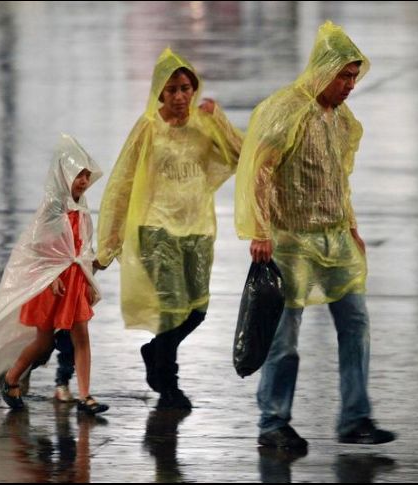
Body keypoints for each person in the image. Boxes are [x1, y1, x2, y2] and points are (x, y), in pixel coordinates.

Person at [235, 21, 396, 448]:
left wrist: (352, 226)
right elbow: (261, 170)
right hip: (291, 242)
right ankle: (273, 422)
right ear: (323, 71)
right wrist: (260, 229)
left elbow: (338, 178)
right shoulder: (287, 109)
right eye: (344, 75)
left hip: (335, 238)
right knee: (284, 336)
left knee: (356, 322)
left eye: (353, 76)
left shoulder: (341, 120)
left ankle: (355, 417)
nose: (350, 85)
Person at [94, 47, 242, 409]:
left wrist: (219, 119)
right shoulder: (148, 128)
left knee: (198, 310)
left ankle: (155, 351)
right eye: (172, 89)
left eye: (186, 88)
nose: (180, 96)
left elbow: (241, 156)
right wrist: (110, 242)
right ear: (159, 93)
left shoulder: (204, 124)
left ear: (194, 89)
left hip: (198, 227)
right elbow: (123, 182)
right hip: (155, 226)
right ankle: (168, 382)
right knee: (173, 306)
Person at [0, 134, 108, 415]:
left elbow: (82, 245)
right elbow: (36, 244)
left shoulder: (80, 207)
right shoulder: (53, 205)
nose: (83, 181)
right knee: (44, 342)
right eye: (78, 175)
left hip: (73, 280)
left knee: (81, 336)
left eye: (86, 175)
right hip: (51, 283)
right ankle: (11, 378)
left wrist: (89, 273)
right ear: (64, 175)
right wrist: (52, 274)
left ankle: (85, 396)